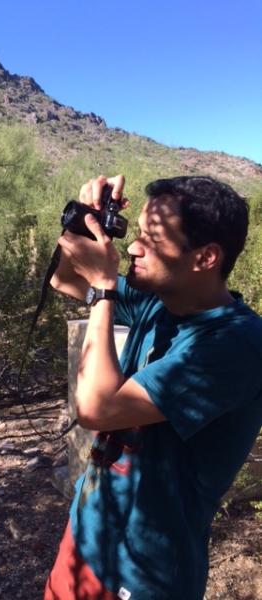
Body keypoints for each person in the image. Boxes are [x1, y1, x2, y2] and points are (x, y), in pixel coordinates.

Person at [44, 174, 262, 600]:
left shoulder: (236, 346)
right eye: (137, 233)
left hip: (143, 576)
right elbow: (65, 280)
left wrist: (105, 290)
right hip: (86, 537)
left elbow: (97, 409)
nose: (133, 248)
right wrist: (87, 223)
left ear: (206, 257)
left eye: (152, 240)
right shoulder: (162, 300)